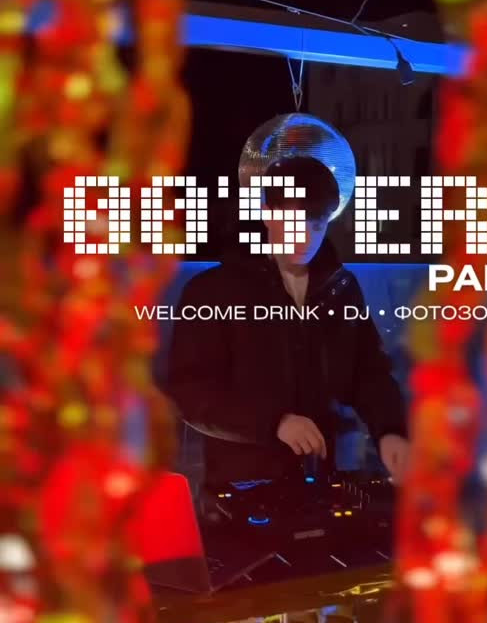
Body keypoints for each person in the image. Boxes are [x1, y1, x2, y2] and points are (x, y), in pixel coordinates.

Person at [165, 155, 409, 500]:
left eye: (316, 225)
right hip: (243, 488)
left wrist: (391, 432)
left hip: (322, 482)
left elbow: (368, 372)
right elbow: (190, 391)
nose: (304, 238)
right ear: (266, 212)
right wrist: (275, 422)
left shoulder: (341, 288)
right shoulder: (211, 291)